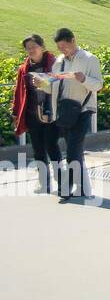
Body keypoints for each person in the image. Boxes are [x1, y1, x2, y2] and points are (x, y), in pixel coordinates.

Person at [49, 28, 102, 202]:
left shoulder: (89, 59)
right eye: (59, 47)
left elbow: (99, 85)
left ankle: (66, 188)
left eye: (65, 46)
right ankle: (85, 188)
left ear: (73, 40)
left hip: (83, 109)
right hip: (64, 111)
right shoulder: (59, 61)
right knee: (75, 151)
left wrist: (84, 79)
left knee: (72, 150)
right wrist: (41, 83)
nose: (63, 50)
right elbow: (54, 86)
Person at [11, 34, 58, 195]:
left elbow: (60, 86)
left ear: (42, 47)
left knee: (52, 147)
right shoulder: (24, 69)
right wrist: (16, 112)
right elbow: (18, 92)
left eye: (34, 47)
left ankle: (60, 180)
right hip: (32, 115)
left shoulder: (55, 64)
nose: (31, 50)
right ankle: (43, 183)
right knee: (38, 150)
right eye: (28, 48)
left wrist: (44, 83)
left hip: (51, 113)